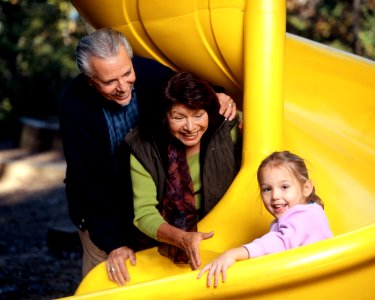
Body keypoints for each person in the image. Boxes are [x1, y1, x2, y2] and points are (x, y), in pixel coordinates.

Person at [59, 28, 237, 286]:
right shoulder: (75, 106)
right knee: (108, 278)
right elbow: (90, 183)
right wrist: (114, 243)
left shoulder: (147, 72)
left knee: (153, 277)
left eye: (127, 73)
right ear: (90, 81)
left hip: (148, 196)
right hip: (100, 206)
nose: (122, 87)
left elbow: (184, 89)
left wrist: (216, 95)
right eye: (110, 82)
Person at [125, 71, 242, 272]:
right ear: (165, 117)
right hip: (165, 244)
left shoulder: (226, 126)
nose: (190, 127)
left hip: (225, 234)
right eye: (178, 117)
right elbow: (144, 214)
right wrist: (181, 238)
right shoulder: (143, 146)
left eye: (198, 115)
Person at [197, 150, 333, 287]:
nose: (275, 196)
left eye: (284, 187)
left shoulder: (305, 215)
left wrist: (235, 253)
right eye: (267, 189)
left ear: (306, 188)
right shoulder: (300, 214)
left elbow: (280, 242)